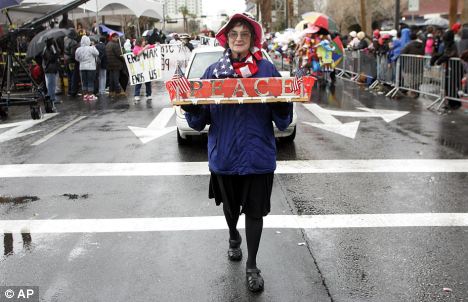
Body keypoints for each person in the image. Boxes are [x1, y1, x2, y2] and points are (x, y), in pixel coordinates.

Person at [182, 12, 293, 293]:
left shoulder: (267, 70)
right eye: (234, 34)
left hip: (258, 155)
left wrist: (283, 103)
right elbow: (199, 120)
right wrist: (190, 106)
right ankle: (233, 236)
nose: (239, 38)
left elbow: (282, 119)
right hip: (225, 155)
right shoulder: (211, 73)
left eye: (244, 34)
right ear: (227, 40)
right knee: (231, 208)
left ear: (252, 39)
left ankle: (252, 265)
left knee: (255, 211)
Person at [75, 35, 99, 102]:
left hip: (82, 67)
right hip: (91, 67)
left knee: (84, 81)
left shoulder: (78, 49)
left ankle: (85, 95)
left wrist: (81, 61)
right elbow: (97, 53)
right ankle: (91, 95)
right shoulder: (91, 48)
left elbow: (76, 58)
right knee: (90, 81)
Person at [132, 37, 154, 102]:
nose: (144, 42)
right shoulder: (136, 48)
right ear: (139, 42)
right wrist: (145, 48)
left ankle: (149, 94)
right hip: (139, 68)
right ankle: (136, 95)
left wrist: (156, 45)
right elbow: (138, 54)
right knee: (139, 82)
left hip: (146, 67)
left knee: (148, 81)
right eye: (143, 41)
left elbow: (152, 47)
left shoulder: (143, 47)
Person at [42, 38, 60, 111]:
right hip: (50, 69)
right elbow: (51, 58)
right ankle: (51, 99)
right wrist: (55, 52)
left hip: (51, 68)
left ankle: (52, 98)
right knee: (51, 85)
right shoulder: (47, 49)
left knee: (52, 84)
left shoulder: (48, 49)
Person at [105, 33, 125, 98]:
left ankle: (111, 91)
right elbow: (119, 55)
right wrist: (124, 60)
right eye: (116, 37)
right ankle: (118, 91)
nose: (117, 39)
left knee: (111, 79)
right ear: (113, 37)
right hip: (116, 64)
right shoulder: (115, 45)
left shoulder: (108, 44)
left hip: (109, 64)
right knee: (116, 79)